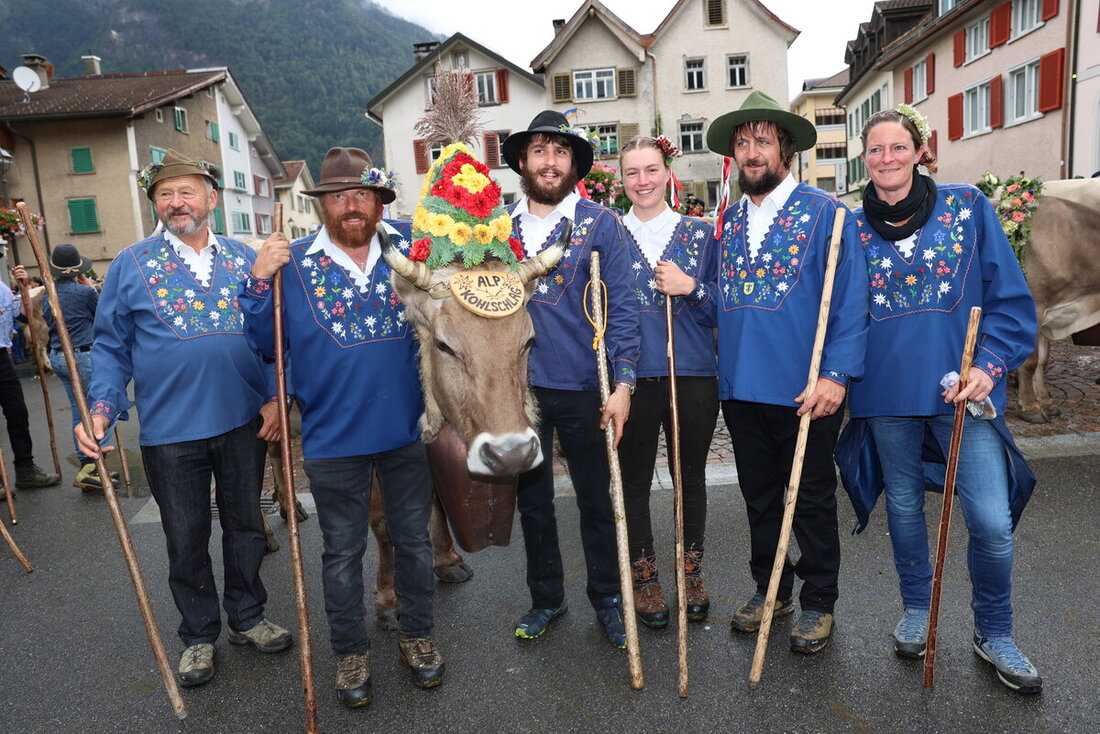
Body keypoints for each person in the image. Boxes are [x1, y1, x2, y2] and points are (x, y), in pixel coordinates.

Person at [835, 106, 1042, 693]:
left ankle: (994, 631)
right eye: (875, 150)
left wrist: (988, 366)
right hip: (883, 391)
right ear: (864, 160)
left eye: (898, 147)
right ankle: (917, 611)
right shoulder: (848, 229)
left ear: (920, 151)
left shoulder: (968, 208)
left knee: (990, 520)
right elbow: (838, 311)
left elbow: (1008, 299)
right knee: (902, 504)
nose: (887, 159)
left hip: (963, 392)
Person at [76, 150, 291, 689]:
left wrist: (274, 398)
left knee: (245, 525)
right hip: (170, 431)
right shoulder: (130, 263)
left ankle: (247, 616)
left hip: (244, 421)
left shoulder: (248, 260)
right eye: (165, 194)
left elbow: (274, 341)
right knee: (185, 536)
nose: (177, 203)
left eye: (187, 191)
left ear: (211, 198)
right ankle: (198, 636)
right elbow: (110, 347)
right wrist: (101, 410)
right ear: (155, 203)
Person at [664, 90, 868, 654]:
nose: (752, 153)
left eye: (763, 141)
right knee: (759, 497)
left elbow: (851, 303)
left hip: (806, 389)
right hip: (742, 387)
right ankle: (770, 588)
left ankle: (819, 601)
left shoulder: (828, 215)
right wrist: (689, 291)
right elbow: (720, 307)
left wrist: (836, 376)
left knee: (811, 498)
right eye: (743, 143)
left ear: (786, 150)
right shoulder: (727, 222)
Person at [243, 147, 442, 708]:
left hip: (408, 430)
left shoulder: (413, 252)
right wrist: (260, 281)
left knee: (414, 543)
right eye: (338, 196)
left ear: (380, 202)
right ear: (323, 204)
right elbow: (263, 342)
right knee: (341, 553)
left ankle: (417, 636)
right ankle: (350, 652)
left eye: (362, 194)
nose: (351, 205)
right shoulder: (293, 262)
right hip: (332, 440)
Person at [500, 111, 641, 647]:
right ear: (522, 161)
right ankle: (546, 597)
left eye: (559, 152)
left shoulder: (600, 223)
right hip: (519, 392)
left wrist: (624, 385)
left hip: (588, 386)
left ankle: (607, 596)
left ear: (574, 163)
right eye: (539, 151)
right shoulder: (496, 230)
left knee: (596, 500)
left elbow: (624, 307)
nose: (549, 161)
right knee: (532, 501)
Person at [615, 135, 717, 627]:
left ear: (667, 172)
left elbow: (723, 304)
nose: (643, 181)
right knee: (633, 482)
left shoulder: (701, 234)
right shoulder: (609, 235)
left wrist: (692, 288)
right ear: (621, 180)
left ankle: (690, 571)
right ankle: (645, 577)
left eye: (651, 170)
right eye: (632, 172)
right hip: (631, 379)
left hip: (692, 374)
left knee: (688, 478)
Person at [40, 244, 115, 490]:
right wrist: (90, 289)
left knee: (78, 409)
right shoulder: (84, 293)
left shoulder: (46, 293)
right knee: (101, 408)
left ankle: (87, 463)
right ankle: (92, 465)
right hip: (82, 354)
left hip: (58, 355)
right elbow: (104, 317)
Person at [0, 266, 60, 494]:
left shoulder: (3, 288)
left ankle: (25, 470)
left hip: (3, 359)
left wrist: (24, 287)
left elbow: (23, 316)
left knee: (17, 412)